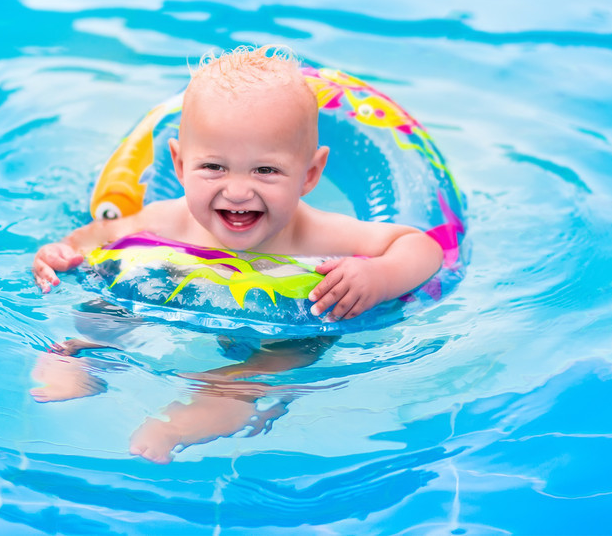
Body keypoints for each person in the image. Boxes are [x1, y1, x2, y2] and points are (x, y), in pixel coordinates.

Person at [30, 45, 443, 463]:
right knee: (102, 310)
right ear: (178, 163)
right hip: (172, 300)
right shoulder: (167, 219)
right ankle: (84, 356)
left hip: (280, 329)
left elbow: (422, 247)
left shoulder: (320, 234)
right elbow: (101, 234)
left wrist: (379, 276)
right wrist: (63, 252)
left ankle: (225, 394)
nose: (239, 191)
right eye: (214, 167)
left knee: (302, 347)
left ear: (311, 174)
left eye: (266, 170)